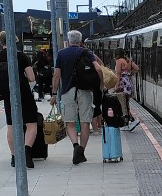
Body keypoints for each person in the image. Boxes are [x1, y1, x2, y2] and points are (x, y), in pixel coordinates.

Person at [52, 30, 103, 165]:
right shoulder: (86, 52)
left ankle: (75, 145)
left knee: (70, 122)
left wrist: (53, 94)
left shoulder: (62, 54)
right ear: (80, 41)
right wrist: (101, 84)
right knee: (85, 122)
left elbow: (56, 76)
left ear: (68, 41)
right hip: (85, 91)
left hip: (67, 91)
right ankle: (81, 151)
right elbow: (98, 68)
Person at [0, 31, 38, 168]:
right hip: (23, 93)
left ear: (1, 42)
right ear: (15, 41)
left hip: (7, 95)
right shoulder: (21, 56)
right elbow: (31, 78)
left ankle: (14, 157)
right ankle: (26, 151)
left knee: (11, 126)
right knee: (31, 124)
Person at [113, 48, 139, 130]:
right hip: (128, 83)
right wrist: (129, 74)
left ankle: (130, 121)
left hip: (122, 84)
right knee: (126, 103)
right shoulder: (128, 61)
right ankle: (129, 122)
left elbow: (118, 74)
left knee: (122, 104)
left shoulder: (119, 61)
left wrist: (116, 85)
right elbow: (137, 69)